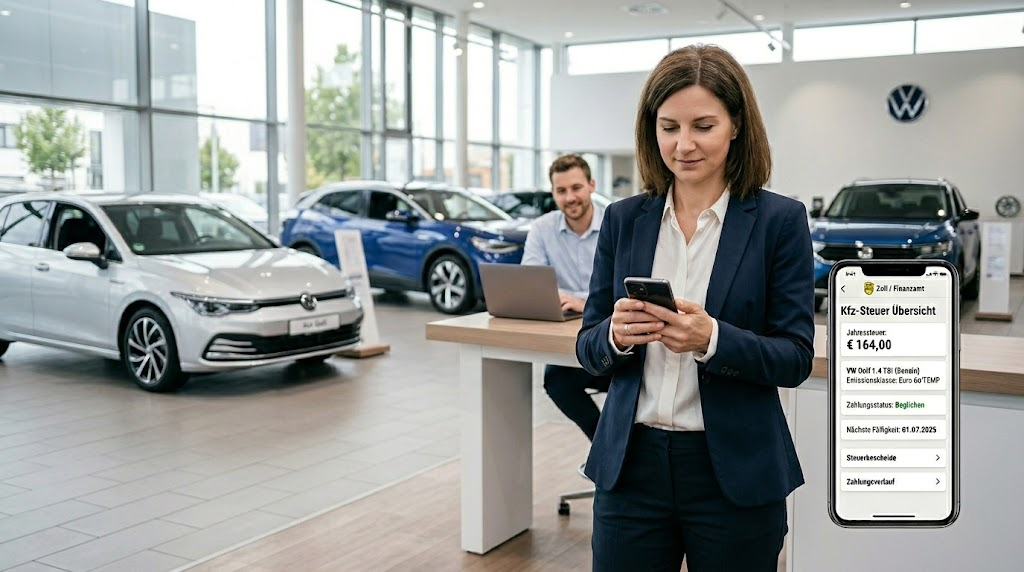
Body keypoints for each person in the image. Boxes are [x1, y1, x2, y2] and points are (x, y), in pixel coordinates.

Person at [575, 45, 815, 571]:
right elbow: (587, 346)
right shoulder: (624, 219)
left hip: (733, 473)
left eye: (703, 126)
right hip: (630, 470)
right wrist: (615, 335)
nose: (683, 144)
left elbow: (795, 357)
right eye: (668, 127)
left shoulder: (779, 222)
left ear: (737, 126)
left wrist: (712, 340)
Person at [522, 154, 611, 442]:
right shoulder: (542, 228)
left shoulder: (615, 223)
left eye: (576, 188)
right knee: (556, 380)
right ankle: (604, 449)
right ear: (553, 193)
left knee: (629, 382)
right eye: (561, 190)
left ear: (591, 185)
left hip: (613, 338)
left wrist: (585, 303)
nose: (570, 197)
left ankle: (615, 452)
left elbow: (625, 287)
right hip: (569, 341)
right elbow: (531, 282)